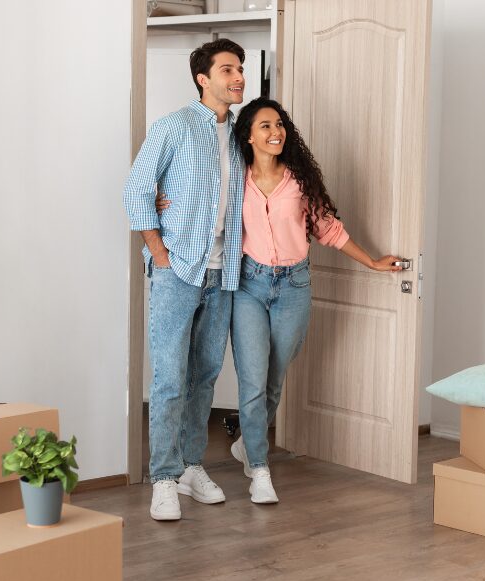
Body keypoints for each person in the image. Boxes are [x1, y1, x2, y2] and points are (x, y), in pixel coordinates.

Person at [157, 97, 401, 503]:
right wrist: (162, 196)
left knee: (273, 382)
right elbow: (200, 201)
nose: (276, 132)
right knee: (252, 384)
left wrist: (373, 262)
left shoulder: (299, 181)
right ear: (248, 136)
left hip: (294, 288)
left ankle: (245, 446)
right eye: (266, 126)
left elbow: (329, 230)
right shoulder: (234, 178)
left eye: (280, 125)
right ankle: (259, 469)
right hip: (248, 286)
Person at [123, 38, 247, 521]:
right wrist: (160, 252)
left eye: (239, 69)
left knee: (205, 377)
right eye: (227, 70)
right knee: (170, 378)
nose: (237, 78)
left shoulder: (240, 136)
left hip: (224, 271)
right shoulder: (172, 127)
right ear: (203, 78)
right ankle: (164, 477)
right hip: (178, 270)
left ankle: (193, 465)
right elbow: (136, 190)